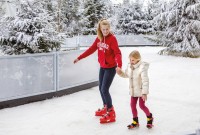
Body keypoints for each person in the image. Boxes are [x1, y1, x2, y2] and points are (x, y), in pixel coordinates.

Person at [73, 19, 122, 124]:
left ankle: (111, 112)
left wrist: (119, 66)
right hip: (103, 67)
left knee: (104, 89)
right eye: (103, 29)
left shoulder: (112, 39)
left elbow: (117, 53)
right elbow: (91, 49)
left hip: (111, 68)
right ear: (100, 29)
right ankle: (105, 107)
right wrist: (79, 58)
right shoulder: (99, 39)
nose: (105, 31)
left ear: (109, 28)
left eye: (107, 29)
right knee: (100, 88)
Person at [116, 50, 153, 129]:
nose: (131, 61)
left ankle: (150, 117)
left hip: (141, 91)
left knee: (141, 106)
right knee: (132, 105)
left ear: (138, 59)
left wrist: (144, 93)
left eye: (132, 60)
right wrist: (120, 73)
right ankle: (135, 121)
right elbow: (126, 75)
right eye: (130, 59)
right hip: (133, 91)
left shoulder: (142, 67)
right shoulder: (130, 66)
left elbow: (145, 80)